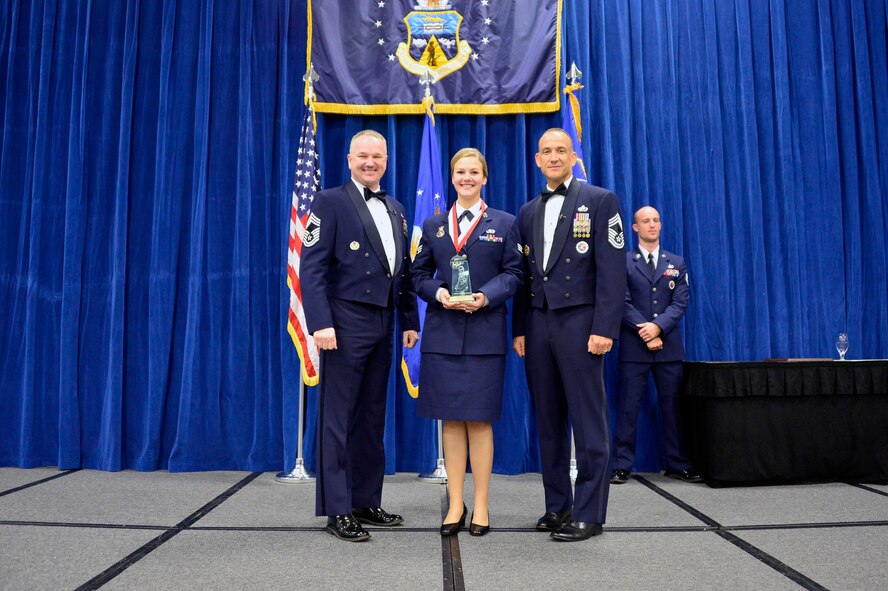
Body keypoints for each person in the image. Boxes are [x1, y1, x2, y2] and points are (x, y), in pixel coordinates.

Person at [300, 130, 420, 542]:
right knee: (338, 418)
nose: (370, 162)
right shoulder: (329, 201)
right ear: (349, 159)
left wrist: (409, 321)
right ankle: (337, 508)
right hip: (344, 322)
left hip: (384, 323)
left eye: (378, 156)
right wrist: (320, 323)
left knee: (371, 416)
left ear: (386, 159)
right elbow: (311, 268)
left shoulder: (396, 208)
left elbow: (400, 271)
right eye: (363, 156)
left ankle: (366, 500)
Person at [512, 128, 627, 542]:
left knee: (588, 418)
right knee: (548, 420)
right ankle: (557, 506)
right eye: (547, 151)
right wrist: (521, 327)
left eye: (561, 150)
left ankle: (590, 513)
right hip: (539, 324)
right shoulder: (527, 212)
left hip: (582, 324)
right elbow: (525, 278)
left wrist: (604, 329)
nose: (554, 156)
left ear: (573, 156)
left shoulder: (600, 201)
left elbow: (613, 273)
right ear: (537, 159)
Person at [412, 148, 523, 537]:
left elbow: (514, 274)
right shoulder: (434, 225)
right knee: (451, 421)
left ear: (485, 177)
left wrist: (485, 296)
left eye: (474, 172)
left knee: (478, 421)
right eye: (460, 172)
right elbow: (418, 274)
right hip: (442, 335)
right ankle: (455, 504)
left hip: (484, 334)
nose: (467, 178)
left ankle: (481, 506)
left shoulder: (506, 224)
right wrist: (439, 294)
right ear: (452, 178)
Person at [610, 206, 702, 484]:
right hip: (634, 348)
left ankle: (677, 462)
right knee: (628, 407)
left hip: (669, 348)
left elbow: (681, 301)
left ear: (661, 225)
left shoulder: (676, 262)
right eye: (645, 221)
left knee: (672, 407)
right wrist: (645, 330)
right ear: (635, 228)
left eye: (656, 220)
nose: (652, 225)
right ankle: (622, 464)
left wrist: (658, 326)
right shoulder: (623, 262)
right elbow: (620, 302)